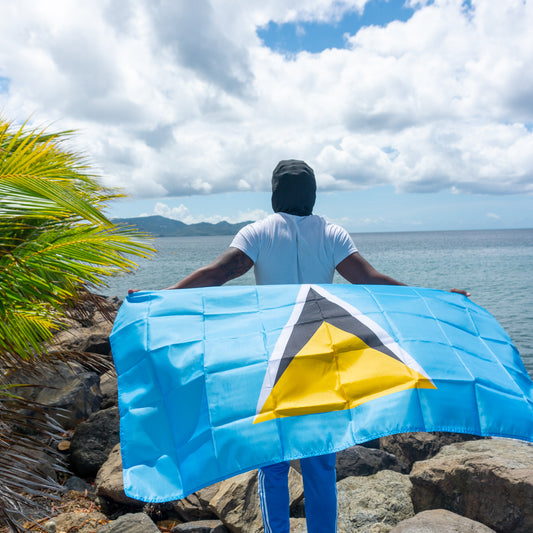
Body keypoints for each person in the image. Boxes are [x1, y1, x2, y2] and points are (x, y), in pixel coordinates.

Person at [131, 159, 469, 533]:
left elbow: (218, 274)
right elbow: (369, 279)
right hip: (320, 358)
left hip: (273, 355)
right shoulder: (332, 234)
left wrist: (159, 297)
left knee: (272, 459)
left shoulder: (258, 232)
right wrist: (433, 298)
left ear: (275, 193)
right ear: (312, 193)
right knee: (320, 461)